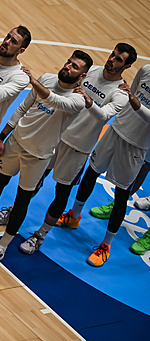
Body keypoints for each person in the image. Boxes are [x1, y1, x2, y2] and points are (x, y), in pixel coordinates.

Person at [0, 50, 92, 266]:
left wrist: (32, 81)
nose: (68, 66)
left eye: (75, 66)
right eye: (69, 62)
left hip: (38, 156)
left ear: (82, 76)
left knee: (22, 200)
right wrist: (3, 137)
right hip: (15, 144)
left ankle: (2, 246)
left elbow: (55, 100)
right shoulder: (48, 79)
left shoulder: (77, 100)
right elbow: (23, 107)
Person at [16, 43, 137, 254]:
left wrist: (89, 102)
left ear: (127, 66)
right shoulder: (91, 71)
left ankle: (41, 234)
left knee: (61, 192)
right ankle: (14, 213)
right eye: (112, 55)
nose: (111, 60)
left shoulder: (120, 93)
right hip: (56, 135)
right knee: (33, 178)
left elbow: (105, 116)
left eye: (118, 59)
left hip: (79, 148)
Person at [57, 64, 150, 266]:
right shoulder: (146, 70)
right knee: (91, 172)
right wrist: (131, 99)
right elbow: (128, 95)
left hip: (137, 145)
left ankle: (106, 245)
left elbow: (140, 108)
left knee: (121, 193)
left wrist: (133, 100)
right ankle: (74, 215)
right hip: (116, 130)